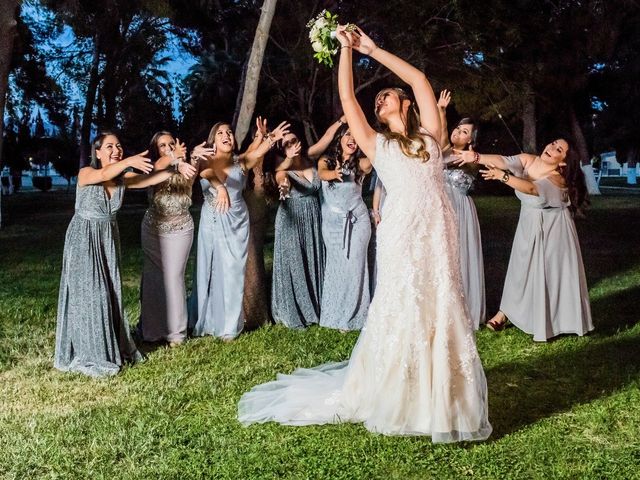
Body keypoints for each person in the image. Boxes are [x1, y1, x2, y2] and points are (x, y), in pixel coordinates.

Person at [238, 26, 492, 442]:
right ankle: (401, 394)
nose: (380, 99)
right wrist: (345, 52)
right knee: (403, 302)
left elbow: (419, 79)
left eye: (387, 95)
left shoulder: (430, 133)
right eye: (379, 99)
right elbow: (347, 99)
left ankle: (443, 398)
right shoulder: (375, 144)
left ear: (404, 104)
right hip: (401, 231)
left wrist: (373, 48)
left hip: (438, 229)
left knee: (441, 301)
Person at [54, 131, 194, 377]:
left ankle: (110, 344)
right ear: (97, 152)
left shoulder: (122, 179)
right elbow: (103, 173)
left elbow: (148, 180)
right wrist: (128, 161)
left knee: (108, 292)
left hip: (107, 238)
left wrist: (176, 167)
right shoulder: (86, 173)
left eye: (118, 146)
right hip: (83, 238)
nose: (115, 149)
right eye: (109, 146)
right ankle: (88, 350)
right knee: (90, 293)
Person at [455, 138, 593, 341]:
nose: (552, 148)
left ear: (563, 161)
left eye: (559, 149)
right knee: (519, 269)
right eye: (553, 143)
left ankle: (553, 320)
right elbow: (504, 160)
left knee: (548, 274)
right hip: (528, 225)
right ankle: (505, 312)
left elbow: (531, 189)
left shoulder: (557, 179)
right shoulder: (529, 160)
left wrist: (503, 177)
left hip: (553, 231)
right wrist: (476, 157)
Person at [189, 120, 289, 340]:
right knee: (210, 269)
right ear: (213, 140)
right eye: (221, 133)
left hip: (237, 222)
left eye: (229, 132)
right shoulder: (205, 159)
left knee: (234, 271)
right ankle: (207, 319)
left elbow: (257, 153)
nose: (226, 135)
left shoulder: (241, 161)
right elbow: (205, 173)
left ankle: (229, 326)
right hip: (212, 221)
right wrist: (221, 187)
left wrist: (270, 138)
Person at [137, 131, 199, 347]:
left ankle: (176, 333)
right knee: (153, 278)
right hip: (153, 228)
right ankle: (152, 330)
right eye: (162, 145)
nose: (168, 147)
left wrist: (192, 159)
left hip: (180, 228)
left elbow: (190, 179)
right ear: (157, 150)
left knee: (174, 278)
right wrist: (174, 160)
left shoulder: (185, 166)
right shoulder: (155, 167)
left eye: (171, 143)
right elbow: (161, 165)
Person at [437, 90, 486, 329]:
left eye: (465, 131)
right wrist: (442, 112)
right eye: (459, 128)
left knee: (458, 254)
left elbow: (446, 147)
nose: (459, 131)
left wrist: (442, 112)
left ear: (470, 140)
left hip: (459, 208)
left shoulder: (470, 157)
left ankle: (462, 309)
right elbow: (443, 143)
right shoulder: (445, 150)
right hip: (441, 205)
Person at [268, 128, 325, 328]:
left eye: (294, 140)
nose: (292, 145)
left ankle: (317, 305)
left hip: (313, 218)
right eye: (287, 144)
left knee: (312, 259)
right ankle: (296, 309)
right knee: (295, 263)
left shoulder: (311, 161)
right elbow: (280, 178)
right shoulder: (282, 169)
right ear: (282, 150)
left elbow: (325, 139)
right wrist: (283, 188)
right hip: (292, 220)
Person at [318, 124, 372, 331]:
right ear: (339, 138)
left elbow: (377, 158)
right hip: (332, 223)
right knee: (337, 266)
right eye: (348, 134)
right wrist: (335, 173)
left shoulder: (362, 164)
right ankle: (334, 314)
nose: (352, 138)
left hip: (357, 221)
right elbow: (323, 174)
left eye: (355, 135)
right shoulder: (326, 161)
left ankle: (354, 317)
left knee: (355, 266)